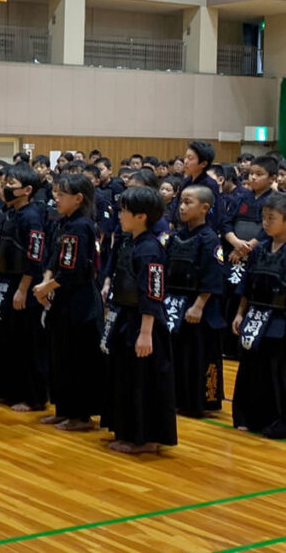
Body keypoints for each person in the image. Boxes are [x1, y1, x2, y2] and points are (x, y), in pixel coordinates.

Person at [231, 193, 286, 439]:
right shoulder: (260, 250)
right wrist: (240, 313)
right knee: (252, 369)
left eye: (271, 218)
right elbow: (247, 284)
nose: (265, 223)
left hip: (282, 320)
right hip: (256, 316)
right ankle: (251, 417)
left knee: (281, 371)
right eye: (264, 218)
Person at [101, 186, 177, 454]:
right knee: (125, 377)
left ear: (142, 216)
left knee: (143, 381)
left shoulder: (150, 250)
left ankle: (146, 438)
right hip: (125, 316)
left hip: (145, 322)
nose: (119, 216)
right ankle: (128, 431)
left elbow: (152, 294)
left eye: (124, 211)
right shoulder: (130, 241)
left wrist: (146, 332)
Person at [33, 174, 105, 432]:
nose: (57, 198)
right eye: (55, 193)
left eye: (62, 194)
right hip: (61, 298)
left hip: (80, 302)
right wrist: (46, 281)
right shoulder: (63, 223)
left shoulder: (81, 226)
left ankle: (80, 415)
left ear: (78, 198)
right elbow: (54, 259)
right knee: (59, 355)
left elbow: (73, 271)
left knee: (78, 358)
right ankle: (62, 408)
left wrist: (46, 287)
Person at [0, 164, 49, 412]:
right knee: (5, 340)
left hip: (25, 285)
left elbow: (34, 258)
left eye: (10, 186)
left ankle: (32, 397)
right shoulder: (8, 213)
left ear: (27, 190)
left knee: (26, 343)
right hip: (4, 281)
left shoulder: (32, 217)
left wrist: (23, 289)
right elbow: (4, 251)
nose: (5, 189)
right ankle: (7, 390)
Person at [166, 185, 225, 417]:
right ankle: (179, 398)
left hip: (200, 307)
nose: (182, 206)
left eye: (188, 202)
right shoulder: (176, 237)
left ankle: (202, 401)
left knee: (199, 355)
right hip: (176, 304)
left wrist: (199, 305)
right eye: (181, 201)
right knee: (179, 355)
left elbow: (212, 276)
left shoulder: (209, 239)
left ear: (205, 208)